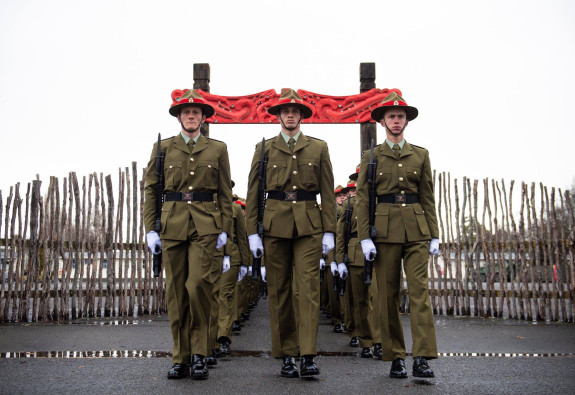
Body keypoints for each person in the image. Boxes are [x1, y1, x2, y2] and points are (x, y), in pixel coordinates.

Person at [246, 89, 336, 378]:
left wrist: (330, 230)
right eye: (285, 111)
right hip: (274, 225)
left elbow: (328, 192)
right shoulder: (265, 148)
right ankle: (286, 353)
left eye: (295, 111)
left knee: (309, 291)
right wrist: (252, 232)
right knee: (279, 291)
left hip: (310, 224)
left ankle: (308, 354)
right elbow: (253, 193)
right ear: (278, 115)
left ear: (301, 115)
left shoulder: (318, 147)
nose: (290, 114)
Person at [144, 89, 233, 380]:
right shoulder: (163, 148)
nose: (191, 116)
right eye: (186, 112)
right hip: (172, 224)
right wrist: (150, 229)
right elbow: (152, 190)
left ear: (203, 117)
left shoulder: (217, 148)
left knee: (198, 287)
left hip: (206, 225)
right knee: (175, 293)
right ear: (179, 117)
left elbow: (224, 192)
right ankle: (180, 357)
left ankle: (199, 352)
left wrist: (224, 228)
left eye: (196, 112)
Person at [356, 92, 440, 378]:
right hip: (385, 230)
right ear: (382, 122)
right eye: (391, 117)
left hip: (417, 229)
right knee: (388, 295)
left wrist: (434, 234)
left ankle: (422, 356)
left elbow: (427, 196)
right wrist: (365, 235)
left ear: (406, 121)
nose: (396, 121)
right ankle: (395, 357)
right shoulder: (372, 156)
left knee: (419, 294)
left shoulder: (421, 154)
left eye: (400, 117)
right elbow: (363, 199)